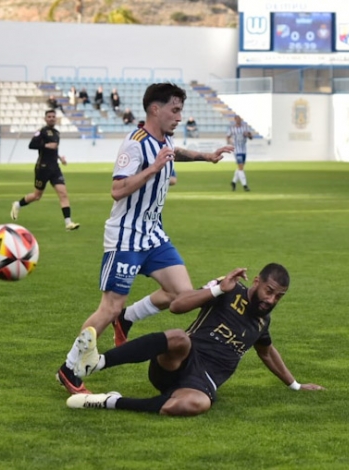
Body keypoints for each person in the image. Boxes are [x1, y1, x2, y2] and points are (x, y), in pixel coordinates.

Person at [56, 82, 233, 395]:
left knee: (182, 294)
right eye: (175, 110)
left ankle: (127, 318)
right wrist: (152, 169)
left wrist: (206, 156)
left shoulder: (163, 138)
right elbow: (117, 189)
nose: (180, 116)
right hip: (126, 235)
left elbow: (173, 152)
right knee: (108, 307)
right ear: (156, 108)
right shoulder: (135, 144)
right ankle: (69, 369)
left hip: (153, 234)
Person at [65, 265, 326, 416]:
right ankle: (97, 362)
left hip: (203, 383)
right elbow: (178, 305)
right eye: (269, 291)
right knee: (180, 337)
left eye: (278, 297)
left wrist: (295, 385)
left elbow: (267, 353)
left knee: (196, 405)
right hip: (178, 362)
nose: (271, 300)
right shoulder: (228, 288)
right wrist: (216, 289)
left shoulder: (262, 322)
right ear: (257, 281)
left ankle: (109, 401)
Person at [10, 109, 80, 231]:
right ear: (45, 119)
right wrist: (45, 145)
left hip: (55, 168)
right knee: (37, 196)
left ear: (56, 118)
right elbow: (31, 145)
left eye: (53, 116)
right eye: (49, 116)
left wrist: (60, 158)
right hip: (42, 168)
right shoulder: (41, 132)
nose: (52, 118)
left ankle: (68, 223)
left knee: (63, 194)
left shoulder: (57, 133)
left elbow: (54, 149)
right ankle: (18, 204)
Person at [227, 115, 252, 191]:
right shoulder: (232, 128)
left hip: (244, 150)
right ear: (235, 119)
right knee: (241, 167)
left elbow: (250, 137)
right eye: (238, 119)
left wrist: (248, 135)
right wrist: (230, 142)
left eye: (240, 119)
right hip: (237, 150)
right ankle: (245, 185)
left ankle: (233, 182)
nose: (239, 120)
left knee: (240, 167)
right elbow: (228, 137)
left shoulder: (245, 127)